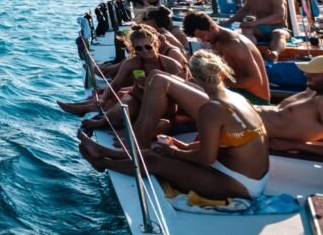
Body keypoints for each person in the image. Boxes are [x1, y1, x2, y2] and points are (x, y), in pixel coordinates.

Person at [77, 50, 270, 200]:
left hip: (239, 184)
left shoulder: (211, 109)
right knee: (157, 150)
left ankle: (101, 162)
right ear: (221, 74)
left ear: (192, 76)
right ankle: (104, 151)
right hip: (248, 176)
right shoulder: (237, 98)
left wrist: (173, 152)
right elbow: (225, 143)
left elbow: (206, 158)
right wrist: (181, 146)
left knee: (156, 160)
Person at [57, 24, 184, 128]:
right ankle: (102, 121)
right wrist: (103, 98)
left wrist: (155, 85)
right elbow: (116, 83)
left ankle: (90, 111)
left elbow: (182, 90)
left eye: (148, 47)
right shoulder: (132, 63)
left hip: (161, 103)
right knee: (120, 111)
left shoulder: (170, 64)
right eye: (139, 49)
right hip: (138, 98)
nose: (144, 51)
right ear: (133, 49)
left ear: (155, 45)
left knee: (151, 119)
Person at [182, 11, 269, 104]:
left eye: (203, 36)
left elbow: (255, 81)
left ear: (212, 27)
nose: (203, 40)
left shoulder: (234, 43)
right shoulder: (216, 41)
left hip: (254, 98)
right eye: (199, 38)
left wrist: (219, 83)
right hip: (234, 91)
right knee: (190, 85)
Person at [257, 56, 323, 157]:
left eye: (314, 74)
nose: (306, 74)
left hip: (249, 128)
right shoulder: (312, 90)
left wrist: (294, 145)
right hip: (248, 118)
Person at [220, 0, 290, 61]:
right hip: (260, 28)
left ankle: (274, 53)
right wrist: (227, 23)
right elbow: (242, 12)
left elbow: (279, 16)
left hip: (279, 27)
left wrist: (254, 23)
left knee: (278, 33)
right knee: (246, 29)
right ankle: (252, 54)